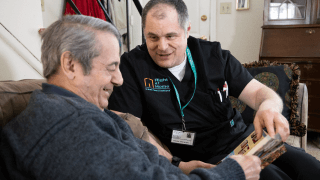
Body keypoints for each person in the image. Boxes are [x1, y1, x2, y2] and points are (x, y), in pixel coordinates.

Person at [0, 15, 262, 180]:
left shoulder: (74, 108)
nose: (119, 79)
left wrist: (180, 166)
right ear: (70, 65)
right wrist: (233, 173)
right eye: (112, 67)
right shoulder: (68, 125)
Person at [108, 0, 320, 179]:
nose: (162, 47)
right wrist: (177, 164)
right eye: (152, 37)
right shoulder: (131, 66)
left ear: (187, 30)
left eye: (171, 36)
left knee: (308, 167)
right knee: (272, 176)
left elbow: (259, 93)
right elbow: (127, 128)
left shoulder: (214, 55)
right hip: (199, 159)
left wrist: (269, 107)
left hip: (244, 140)